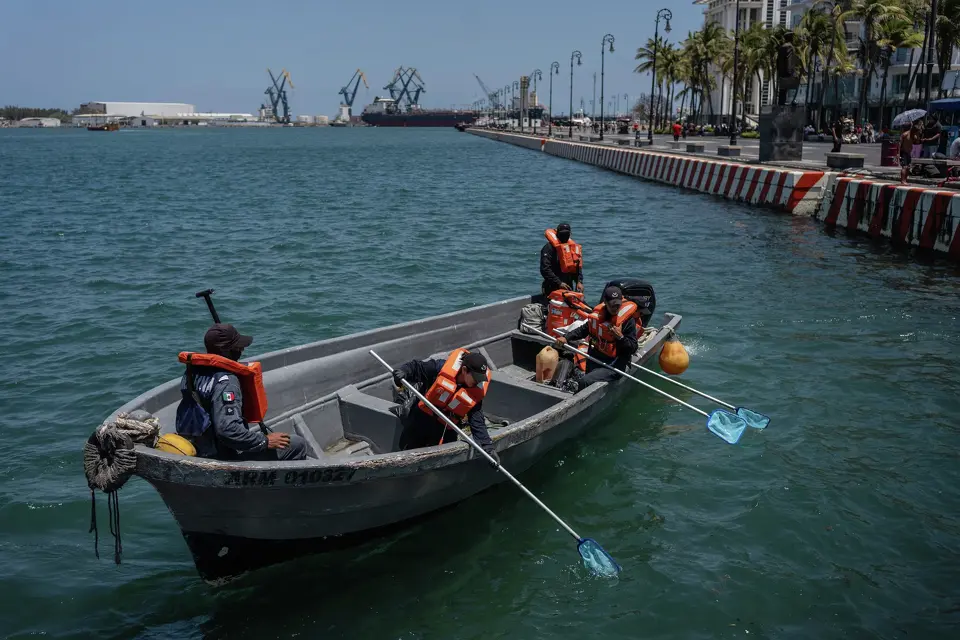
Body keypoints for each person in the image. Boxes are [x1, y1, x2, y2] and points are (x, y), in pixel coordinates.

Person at [175, 323, 307, 460]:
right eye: (237, 346)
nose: (242, 349)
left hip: (199, 447)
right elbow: (228, 430)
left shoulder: (191, 373)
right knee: (297, 444)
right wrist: (265, 441)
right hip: (223, 455)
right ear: (225, 350)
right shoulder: (227, 382)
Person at [391, 349, 499, 466]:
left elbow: (477, 420)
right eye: (476, 378)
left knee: (444, 456)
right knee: (410, 447)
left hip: (446, 427)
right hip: (422, 418)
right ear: (464, 370)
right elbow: (416, 367)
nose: (478, 382)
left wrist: (488, 448)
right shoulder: (439, 367)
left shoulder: (474, 390)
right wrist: (404, 371)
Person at [554, 285, 639, 391]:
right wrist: (566, 338)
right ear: (605, 302)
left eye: (618, 305)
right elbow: (584, 329)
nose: (615, 308)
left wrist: (620, 337)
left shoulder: (627, 321)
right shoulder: (598, 315)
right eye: (612, 305)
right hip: (595, 358)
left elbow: (633, 347)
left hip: (614, 365)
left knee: (584, 381)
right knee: (573, 370)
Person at [540, 222, 583, 296]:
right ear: (557, 234)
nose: (564, 236)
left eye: (566, 234)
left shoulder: (571, 248)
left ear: (570, 235)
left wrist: (579, 281)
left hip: (568, 286)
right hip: (552, 287)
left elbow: (577, 267)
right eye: (562, 234)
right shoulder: (548, 248)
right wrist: (559, 283)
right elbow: (545, 269)